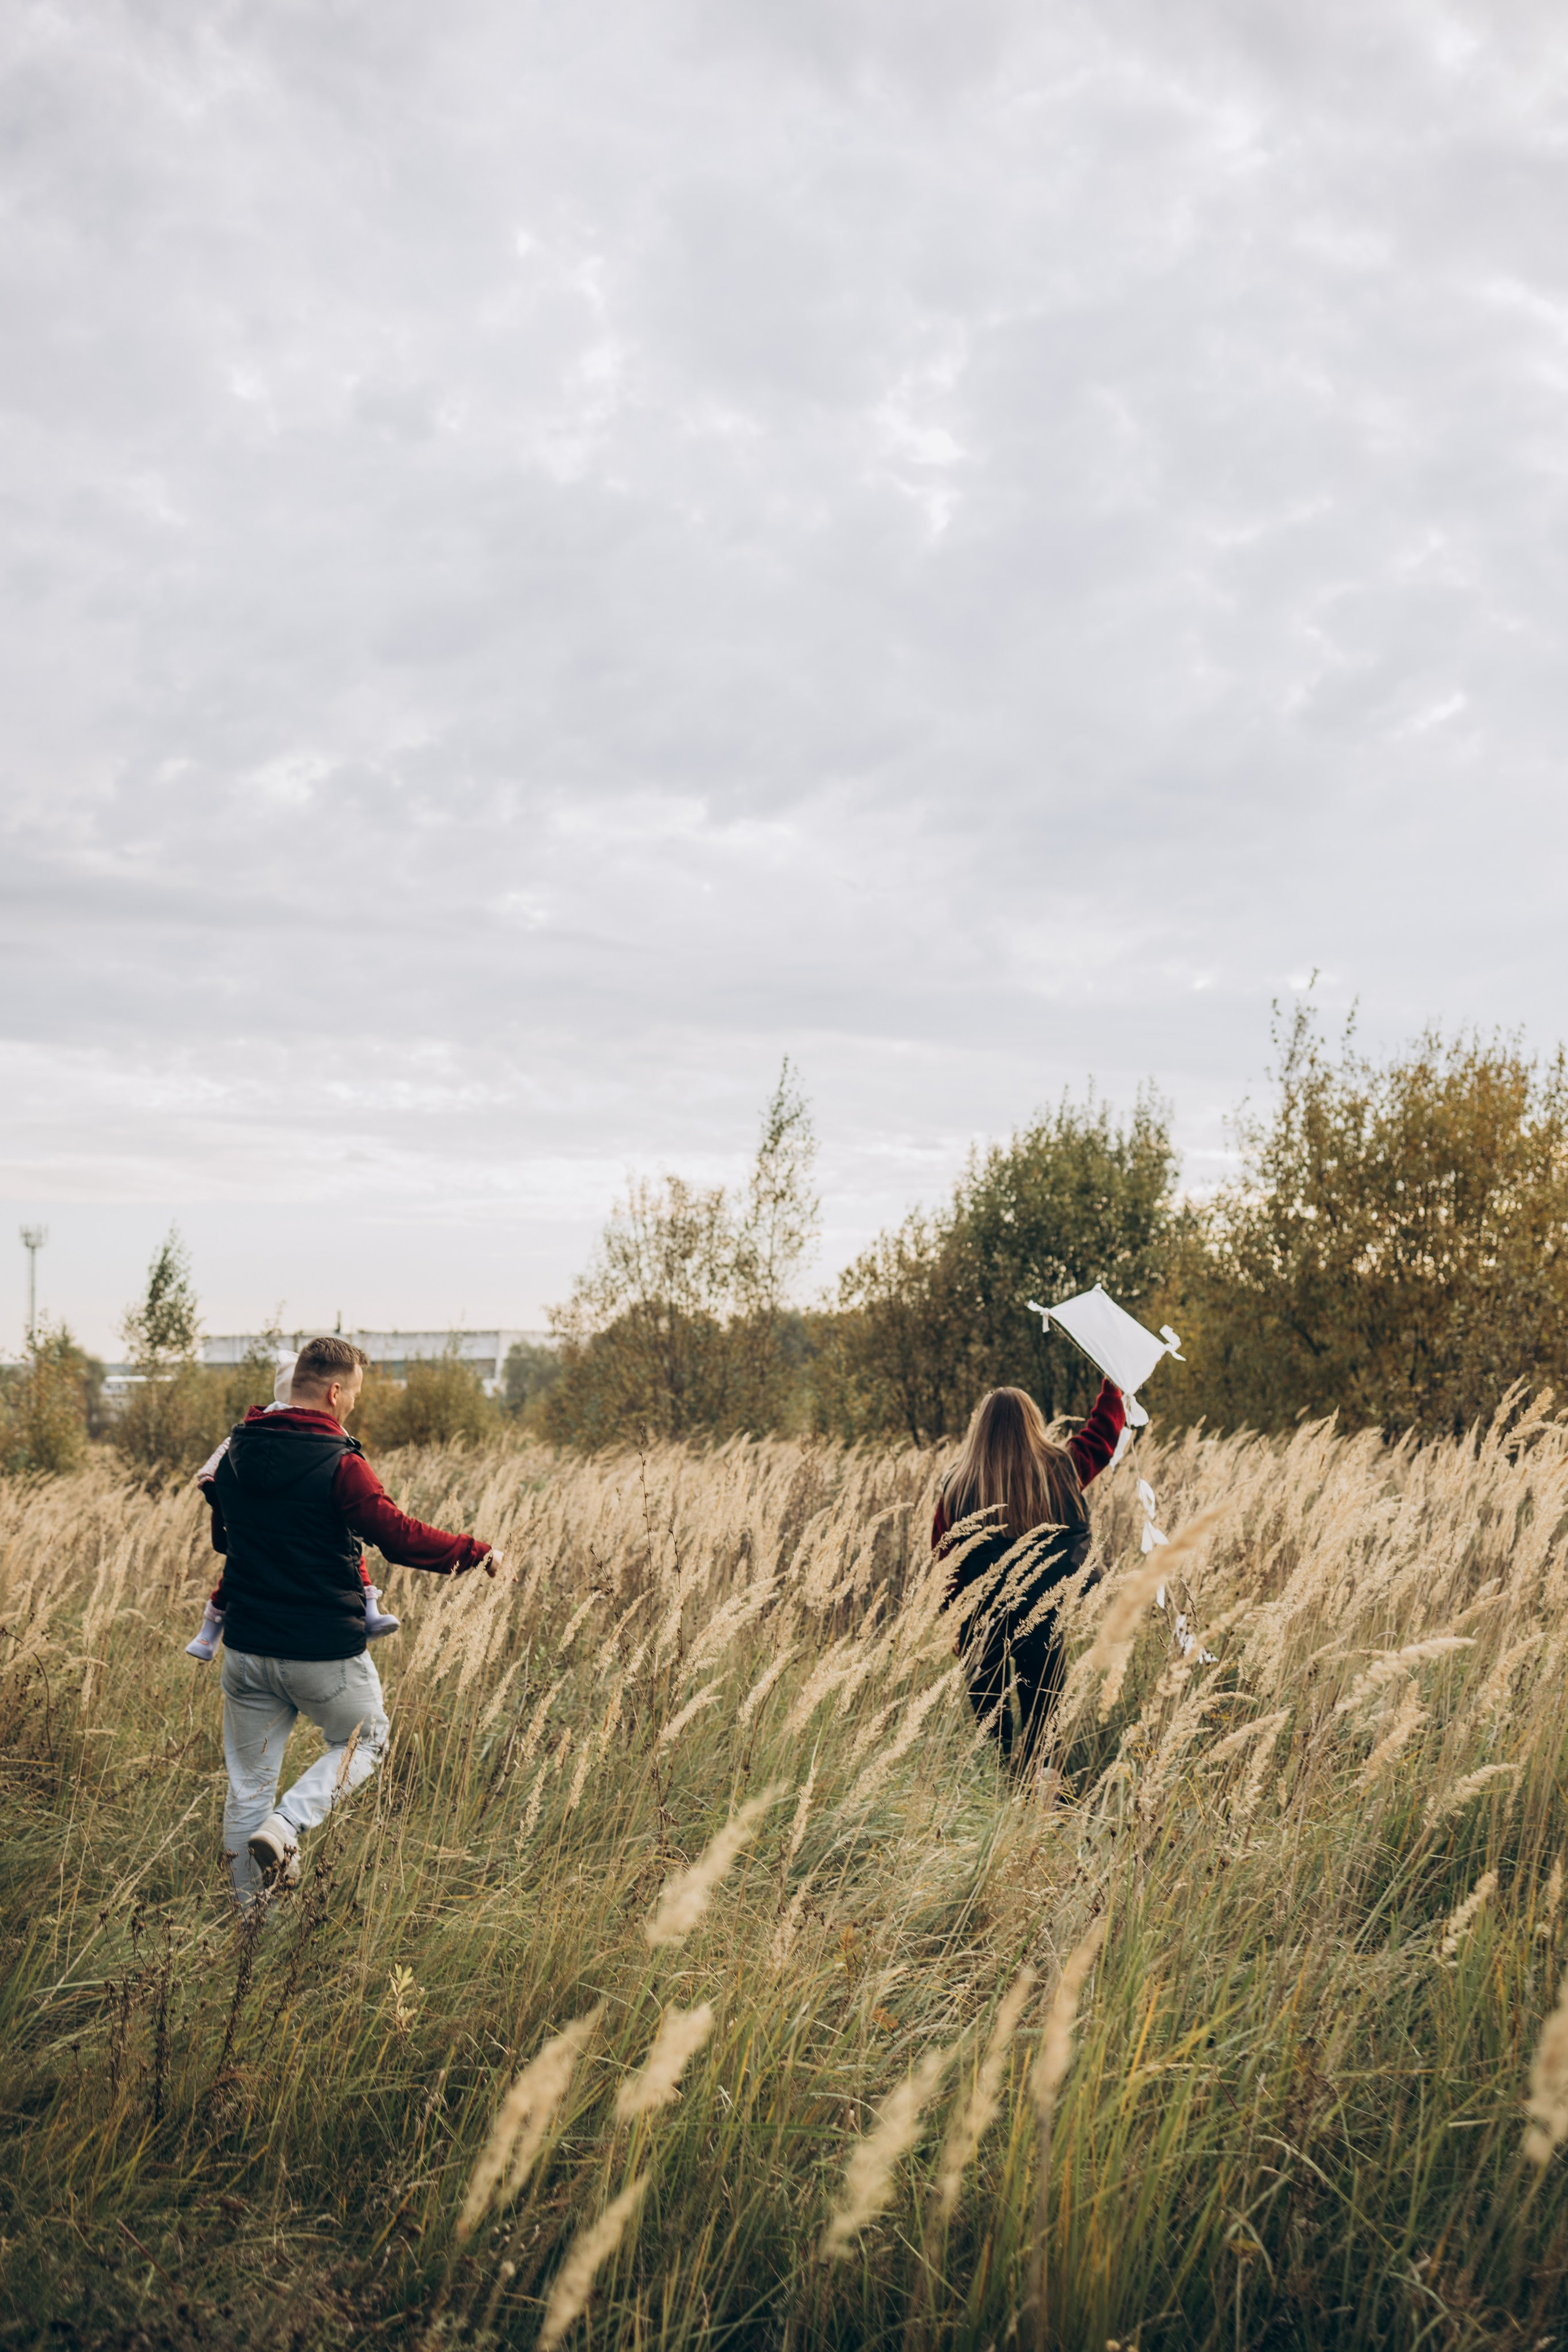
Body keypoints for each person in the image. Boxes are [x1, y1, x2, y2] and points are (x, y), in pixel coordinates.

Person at [207, 1334, 498, 1902]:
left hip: (246, 1648)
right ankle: (288, 1827)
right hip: (321, 1651)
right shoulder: (341, 1463)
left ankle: (252, 1929)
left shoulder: (233, 1456)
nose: (356, 1404)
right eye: (356, 1393)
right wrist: (474, 1550)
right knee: (365, 1743)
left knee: (247, 1790)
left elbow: (225, 1538)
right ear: (335, 1392)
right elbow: (396, 1535)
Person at [933, 1377, 1125, 1763]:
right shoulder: (1061, 1469)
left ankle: (1002, 1795)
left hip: (980, 1623)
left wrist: (954, 1622)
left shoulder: (958, 1484)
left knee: (992, 1735)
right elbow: (1104, 1435)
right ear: (1033, 1422)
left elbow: (945, 1566)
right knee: (1045, 1724)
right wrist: (1114, 1382)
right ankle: (1039, 1805)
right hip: (1043, 1615)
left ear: (981, 1429)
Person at [184, 1352, 398, 1658]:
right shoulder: (332, 1446)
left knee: (236, 1573)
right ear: (333, 1394)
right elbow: (392, 1529)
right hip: (324, 1639)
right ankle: (371, 1610)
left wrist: (228, 1515)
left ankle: (208, 1634)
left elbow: (213, 1479)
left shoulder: (245, 1440)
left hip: (250, 1635)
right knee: (349, 1556)